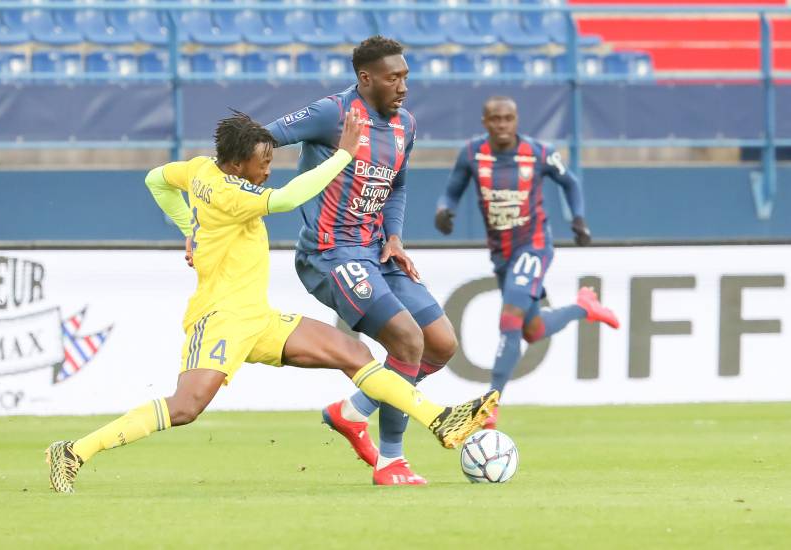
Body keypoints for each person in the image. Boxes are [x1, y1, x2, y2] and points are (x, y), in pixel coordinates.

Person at [45, 110, 498, 493]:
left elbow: (155, 179)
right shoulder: (231, 192)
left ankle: (440, 418)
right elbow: (286, 199)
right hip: (220, 318)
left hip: (256, 317)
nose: (269, 168)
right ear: (238, 165)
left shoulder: (201, 169)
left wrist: (188, 228)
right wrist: (344, 153)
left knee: (353, 353)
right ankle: (73, 451)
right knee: (185, 408)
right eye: (263, 162)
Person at [265, 36, 459, 485]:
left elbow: (398, 185)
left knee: (441, 343)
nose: (403, 86)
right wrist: (219, 206)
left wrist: (395, 236)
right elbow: (262, 138)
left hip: (377, 250)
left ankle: (353, 411)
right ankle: (392, 460)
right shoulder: (332, 113)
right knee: (407, 340)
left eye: (406, 76)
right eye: (394, 78)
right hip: (329, 254)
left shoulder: (405, 125)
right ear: (366, 78)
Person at [435, 96, 619, 429]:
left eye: (508, 118)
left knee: (510, 318)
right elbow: (452, 190)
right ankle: (584, 307)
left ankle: (490, 403)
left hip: (533, 246)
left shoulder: (540, 153)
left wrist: (577, 219)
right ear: (484, 122)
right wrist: (444, 210)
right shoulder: (472, 154)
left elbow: (570, 182)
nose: (502, 124)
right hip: (502, 255)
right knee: (532, 331)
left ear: (517, 120)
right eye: (495, 119)